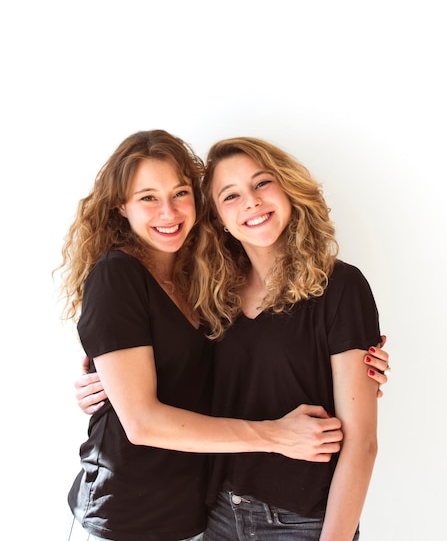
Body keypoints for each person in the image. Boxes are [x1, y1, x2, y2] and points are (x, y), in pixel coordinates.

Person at [59, 129, 373, 541]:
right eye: (147, 197)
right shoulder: (172, 284)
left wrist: (367, 368)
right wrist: (276, 434)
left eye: (262, 182)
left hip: (238, 518)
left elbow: (361, 440)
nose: (168, 212)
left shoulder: (209, 287)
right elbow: (141, 420)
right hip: (157, 514)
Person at [191, 136, 384, 540]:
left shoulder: (341, 287)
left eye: (262, 183)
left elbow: (361, 443)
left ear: (288, 187)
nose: (251, 201)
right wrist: (105, 381)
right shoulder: (211, 297)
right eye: (231, 195)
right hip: (219, 516)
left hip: (301, 524)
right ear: (217, 218)